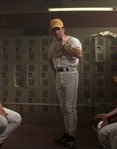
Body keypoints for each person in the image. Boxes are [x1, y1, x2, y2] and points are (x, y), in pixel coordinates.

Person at [49, 18, 83, 148]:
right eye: (54, 30)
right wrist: (55, 72)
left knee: (70, 107)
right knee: (63, 107)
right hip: (59, 74)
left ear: (63, 29)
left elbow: (80, 55)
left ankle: (72, 136)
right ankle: (67, 132)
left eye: (58, 29)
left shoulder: (73, 40)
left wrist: (64, 45)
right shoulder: (52, 44)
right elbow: (50, 59)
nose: (56, 31)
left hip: (70, 74)